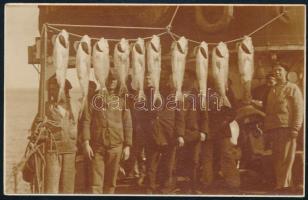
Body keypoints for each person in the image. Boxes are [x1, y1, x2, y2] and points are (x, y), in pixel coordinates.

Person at [81, 72, 133, 194]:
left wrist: (127, 146)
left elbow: (128, 123)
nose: (112, 82)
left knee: (111, 183)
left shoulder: (122, 99)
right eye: (109, 79)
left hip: (116, 146)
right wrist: (86, 142)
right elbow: (86, 120)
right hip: (97, 146)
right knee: (96, 183)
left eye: (115, 79)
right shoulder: (94, 98)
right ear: (105, 80)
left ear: (118, 81)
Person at [143, 66, 185, 194]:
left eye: (164, 79)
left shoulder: (175, 95)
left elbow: (180, 117)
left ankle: (166, 187)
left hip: (169, 134)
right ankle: (150, 188)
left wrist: (180, 135)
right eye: (159, 78)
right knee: (151, 164)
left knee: (169, 164)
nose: (161, 81)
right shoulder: (149, 92)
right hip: (153, 133)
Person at [264, 63, 303, 192]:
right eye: (275, 70)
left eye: (280, 70)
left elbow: (299, 109)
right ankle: (282, 184)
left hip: (287, 128)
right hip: (274, 128)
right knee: (277, 157)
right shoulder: (273, 89)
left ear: (286, 72)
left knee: (286, 157)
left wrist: (295, 127)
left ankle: (283, 186)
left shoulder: (293, 88)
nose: (277, 73)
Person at [176, 68, 208, 194]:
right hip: (180, 134)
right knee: (180, 160)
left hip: (195, 134)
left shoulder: (199, 96)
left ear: (193, 80)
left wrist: (204, 132)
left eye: (187, 77)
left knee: (194, 161)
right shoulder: (177, 95)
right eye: (183, 77)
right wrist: (179, 134)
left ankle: (194, 186)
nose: (184, 80)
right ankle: (183, 187)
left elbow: (204, 116)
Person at [44, 75, 78, 194]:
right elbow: (36, 128)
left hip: (70, 151)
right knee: (51, 189)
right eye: (51, 89)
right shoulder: (46, 107)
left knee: (68, 189)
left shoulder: (75, 106)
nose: (53, 92)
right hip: (54, 151)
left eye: (56, 89)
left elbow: (83, 125)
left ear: (65, 90)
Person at [75, 81, 98, 193]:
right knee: (83, 164)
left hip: (94, 137)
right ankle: (84, 187)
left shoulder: (97, 103)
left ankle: (90, 186)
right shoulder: (79, 102)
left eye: (91, 89)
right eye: (87, 89)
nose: (89, 91)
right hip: (81, 137)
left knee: (93, 165)